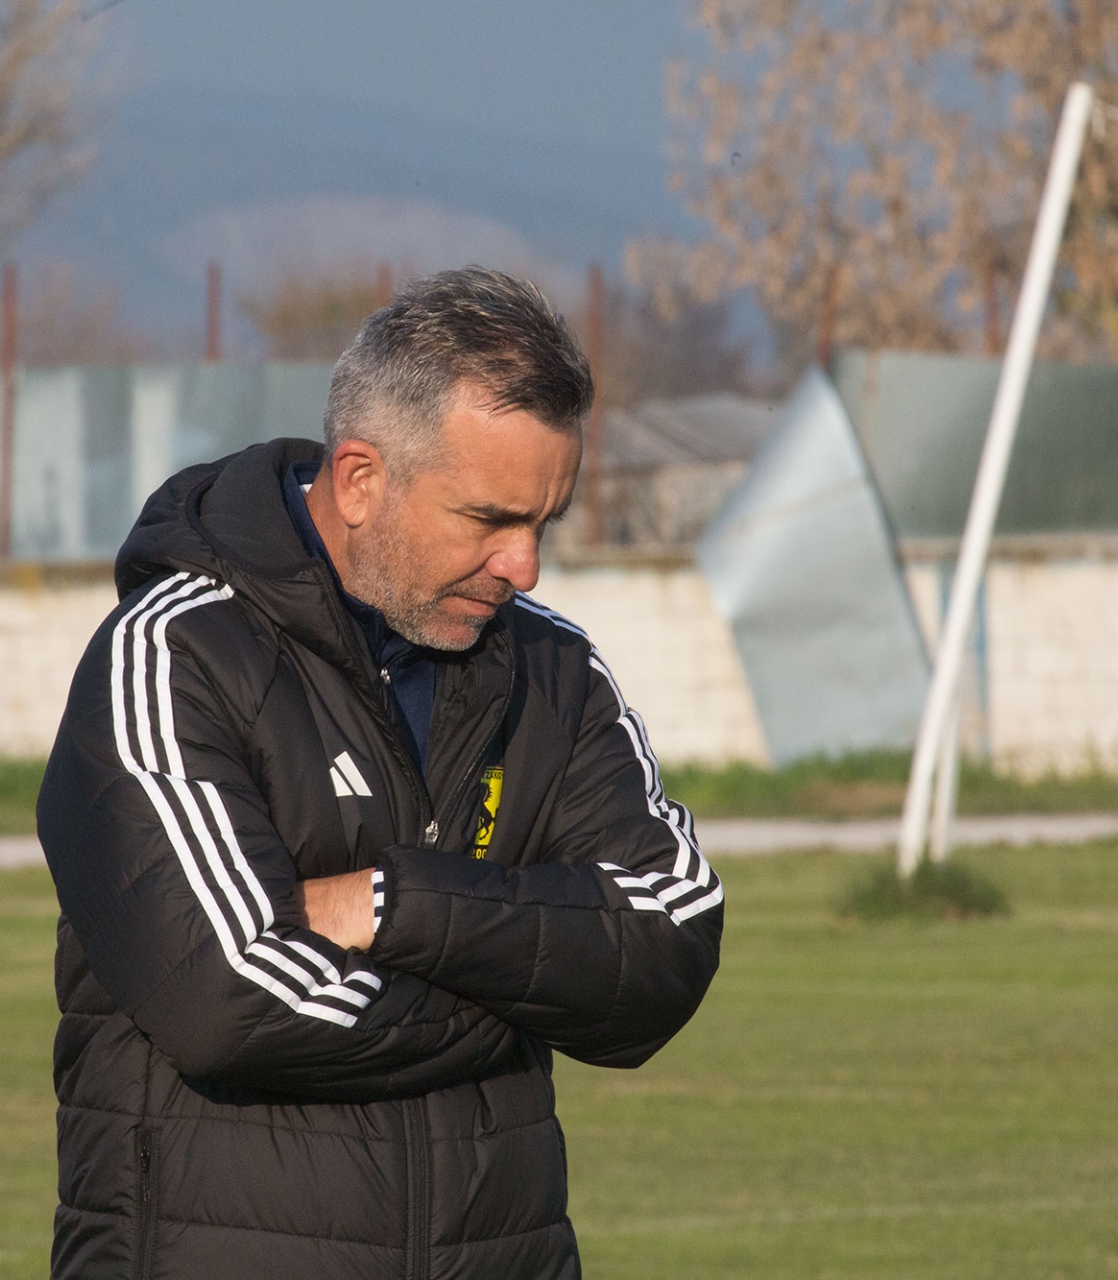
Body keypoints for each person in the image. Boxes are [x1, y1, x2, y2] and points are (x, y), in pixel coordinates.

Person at [39, 266, 724, 1279]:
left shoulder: (554, 670)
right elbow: (229, 1000)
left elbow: (668, 946)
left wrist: (395, 904)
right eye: (488, 518)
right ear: (360, 480)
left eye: (544, 522)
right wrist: (528, 987)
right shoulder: (175, 656)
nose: (525, 565)